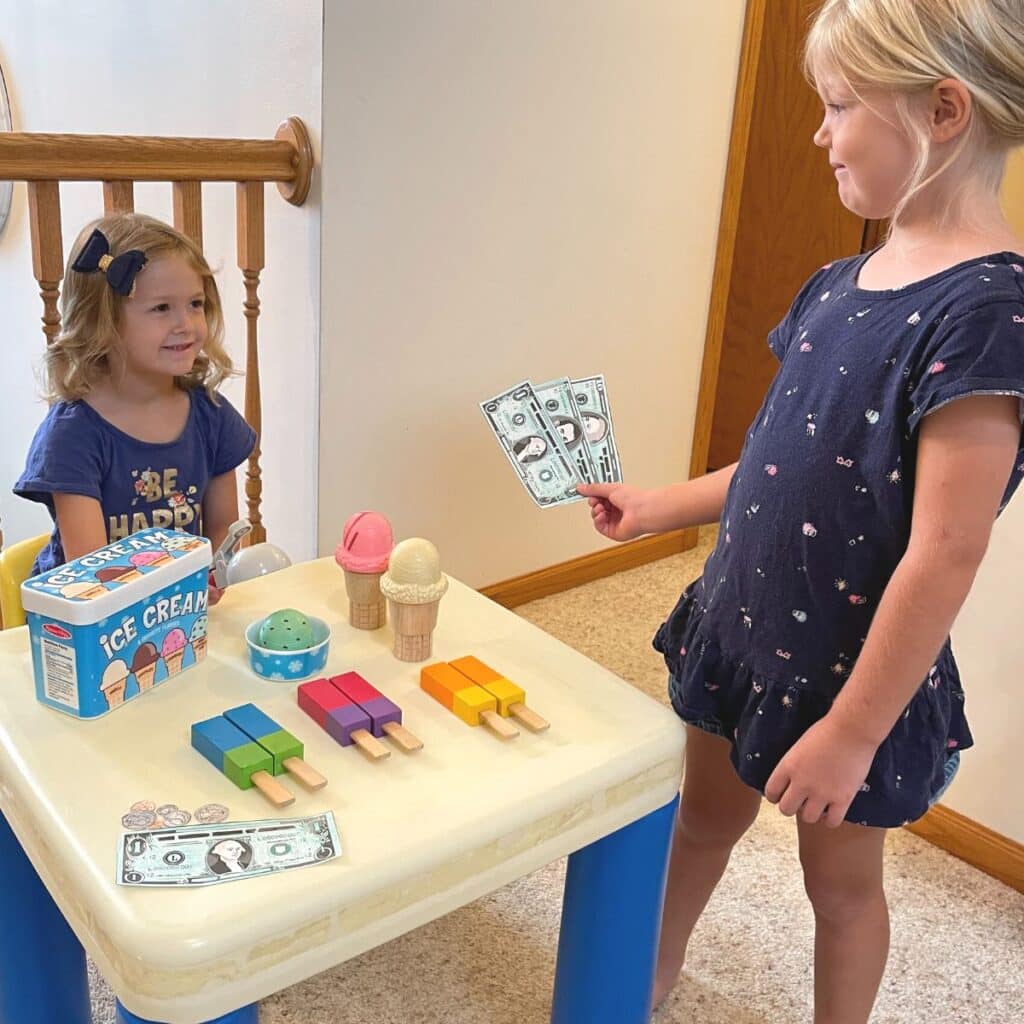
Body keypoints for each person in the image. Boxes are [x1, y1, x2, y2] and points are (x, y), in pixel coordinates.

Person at [579, 1, 1024, 1019]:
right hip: (741, 629)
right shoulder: (838, 279)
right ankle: (644, 980)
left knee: (839, 887)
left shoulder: (989, 313)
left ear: (942, 110)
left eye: (836, 106)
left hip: (847, 677)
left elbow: (946, 551)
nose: (820, 132)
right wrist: (657, 506)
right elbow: (777, 469)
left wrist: (854, 735)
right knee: (697, 822)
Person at [14, 213, 256, 602]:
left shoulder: (211, 415)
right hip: (87, 625)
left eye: (195, 303)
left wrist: (211, 579)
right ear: (102, 321)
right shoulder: (72, 436)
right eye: (162, 308)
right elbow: (92, 577)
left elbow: (221, 536)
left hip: (179, 610)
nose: (187, 324)